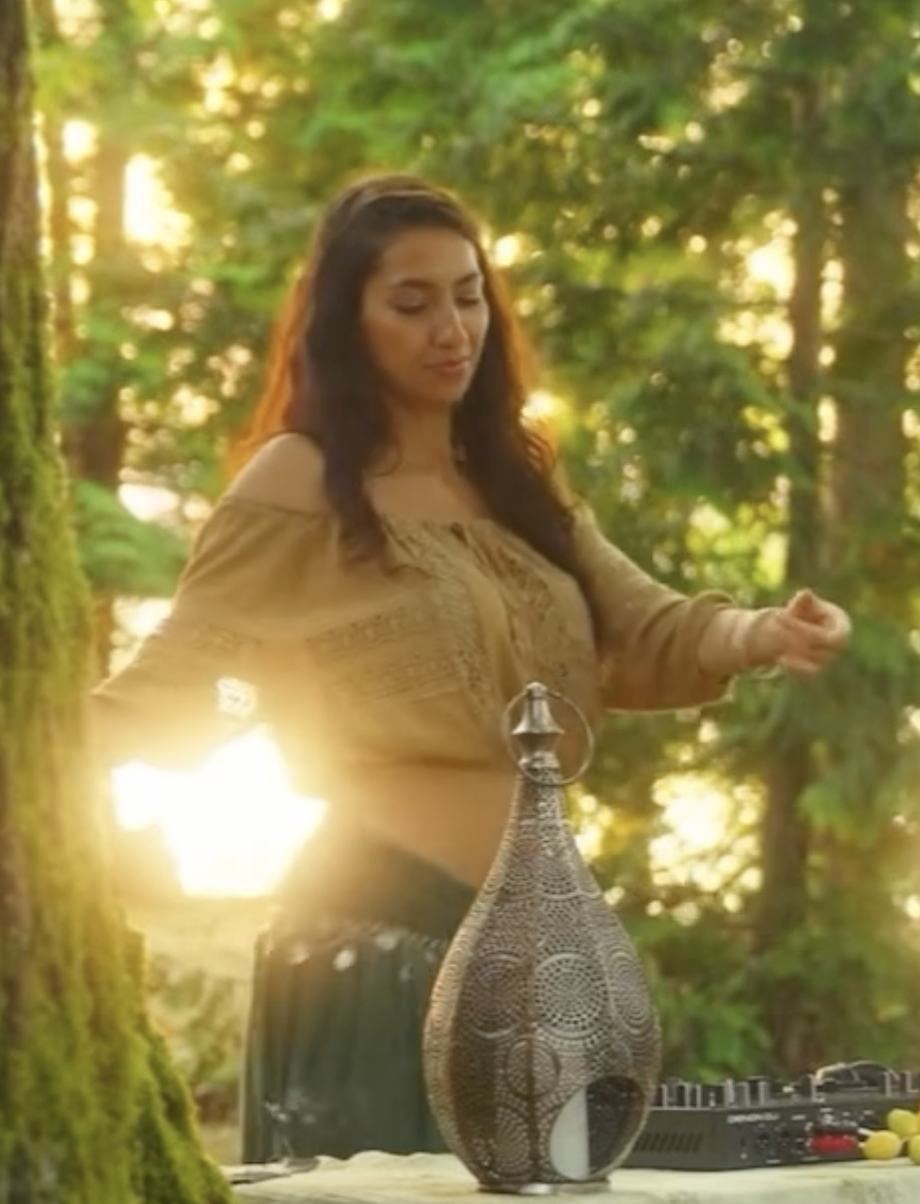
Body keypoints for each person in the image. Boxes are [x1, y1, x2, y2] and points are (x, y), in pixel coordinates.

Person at [90, 173, 852, 1163]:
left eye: (467, 295)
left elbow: (639, 623)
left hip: (541, 955)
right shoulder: (297, 481)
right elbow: (176, 674)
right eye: (410, 304)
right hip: (373, 942)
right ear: (346, 320)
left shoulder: (514, 477)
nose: (451, 329)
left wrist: (763, 632)